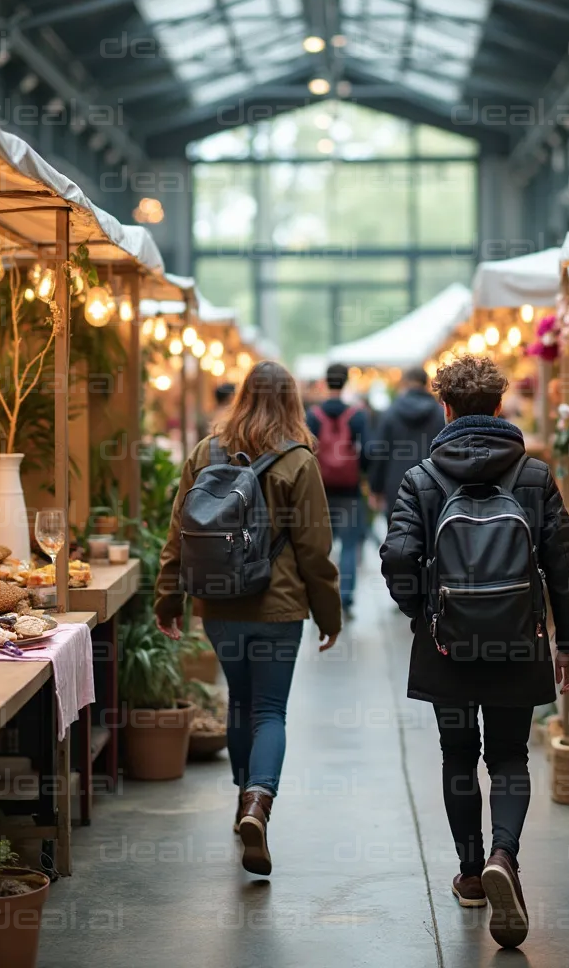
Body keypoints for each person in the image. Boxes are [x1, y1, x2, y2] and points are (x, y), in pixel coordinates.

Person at [379, 354, 569, 949]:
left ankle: (472, 875)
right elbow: (563, 563)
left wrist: (425, 615)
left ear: (445, 407)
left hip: (446, 645)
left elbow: (396, 559)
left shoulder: (422, 479)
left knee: (456, 756)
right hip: (518, 640)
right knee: (510, 756)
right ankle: (505, 855)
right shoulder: (533, 476)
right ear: (500, 408)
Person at [155, 361, 342, 876]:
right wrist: (329, 615)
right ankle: (257, 805)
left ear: (241, 396)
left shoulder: (203, 453)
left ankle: (243, 798)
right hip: (279, 607)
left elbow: (179, 536)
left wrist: (168, 599)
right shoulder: (299, 461)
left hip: (218, 607)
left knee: (239, 701)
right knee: (270, 712)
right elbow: (315, 549)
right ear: (291, 402)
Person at [306, 362, 369, 618]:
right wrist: (361, 472)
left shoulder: (312, 415)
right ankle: (346, 597)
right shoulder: (357, 415)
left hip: (320, 490)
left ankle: (321, 594)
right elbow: (371, 450)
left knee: (321, 545)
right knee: (350, 545)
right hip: (350, 489)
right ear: (345, 382)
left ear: (326, 381)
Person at [368, 366, 445, 514]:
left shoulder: (391, 413)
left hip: (397, 487)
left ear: (404, 383)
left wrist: (375, 488)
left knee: (398, 534)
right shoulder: (440, 414)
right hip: (433, 486)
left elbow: (380, 452)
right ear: (426, 384)